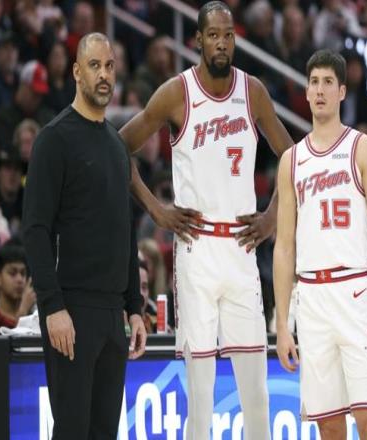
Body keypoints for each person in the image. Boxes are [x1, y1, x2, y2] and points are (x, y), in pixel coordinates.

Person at [120, 2, 293, 438]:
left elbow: (293, 158)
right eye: (213, 35)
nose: (221, 43)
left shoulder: (252, 91)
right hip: (196, 251)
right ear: (198, 40)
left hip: (242, 249)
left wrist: (273, 216)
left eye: (228, 35)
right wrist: (156, 209)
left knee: (256, 392)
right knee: (201, 393)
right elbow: (117, 147)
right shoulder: (176, 92)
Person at [22, 32, 146, 439]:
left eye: (109, 66)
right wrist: (52, 306)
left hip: (113, 316)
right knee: (72, 431)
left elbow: (125, 232)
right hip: (71, 311)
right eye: (94, 66)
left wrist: (134, 307)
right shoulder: (54, 139)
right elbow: (35, 229)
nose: (104, 75)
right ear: (77, 72)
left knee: (105, 432)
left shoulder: (116, 145)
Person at [274, 49, 367, 439]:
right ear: (306, 92)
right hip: (311, 298)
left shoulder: (362, 147)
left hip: (355, 292)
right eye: (314, 82)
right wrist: (282, 324)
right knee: (328, 426)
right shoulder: (291, 160)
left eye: (328, 82)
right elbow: (284, 247)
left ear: (342, 91)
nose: (320, 90)